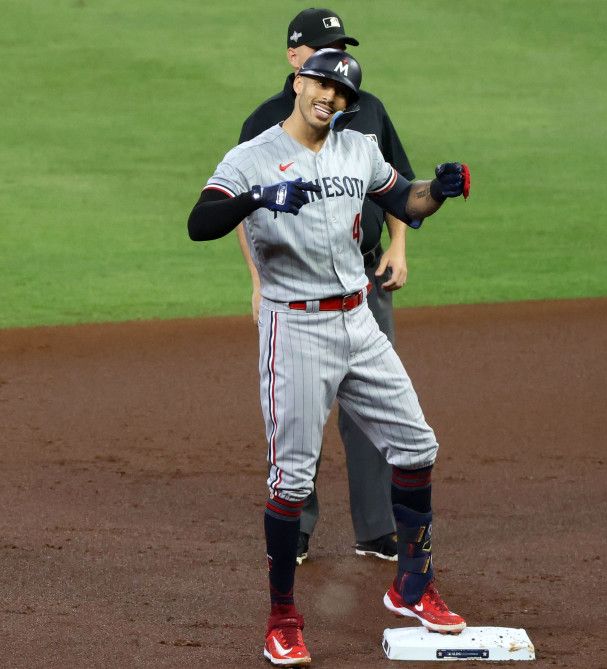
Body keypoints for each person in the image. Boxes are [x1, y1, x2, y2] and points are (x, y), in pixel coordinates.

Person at [188, 49, 471, 666]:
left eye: (342, 91)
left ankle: (413, 586)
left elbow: (407, 202)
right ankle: (282, 618)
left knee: (417, 447)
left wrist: (440, 191)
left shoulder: (358, 148)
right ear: (298, 81)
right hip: (293, 330)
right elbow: (200, 221)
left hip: (358, 320)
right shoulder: (251, 157)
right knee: (291, 482)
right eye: (321, 83)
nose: (330, 97)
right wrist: (258, 198)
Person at [237, 7, 417, 566]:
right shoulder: (265, 125)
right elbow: (242, 210)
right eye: (321, 49)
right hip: (294, 291)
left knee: (373, 408)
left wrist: (397, 247)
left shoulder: (368, 111)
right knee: (301, 411)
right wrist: (256, 281)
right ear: (295, 60)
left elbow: (398, 185)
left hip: (363, 280)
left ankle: (377, 527)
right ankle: (302, 527)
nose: (335, 58)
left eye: (341, 46)